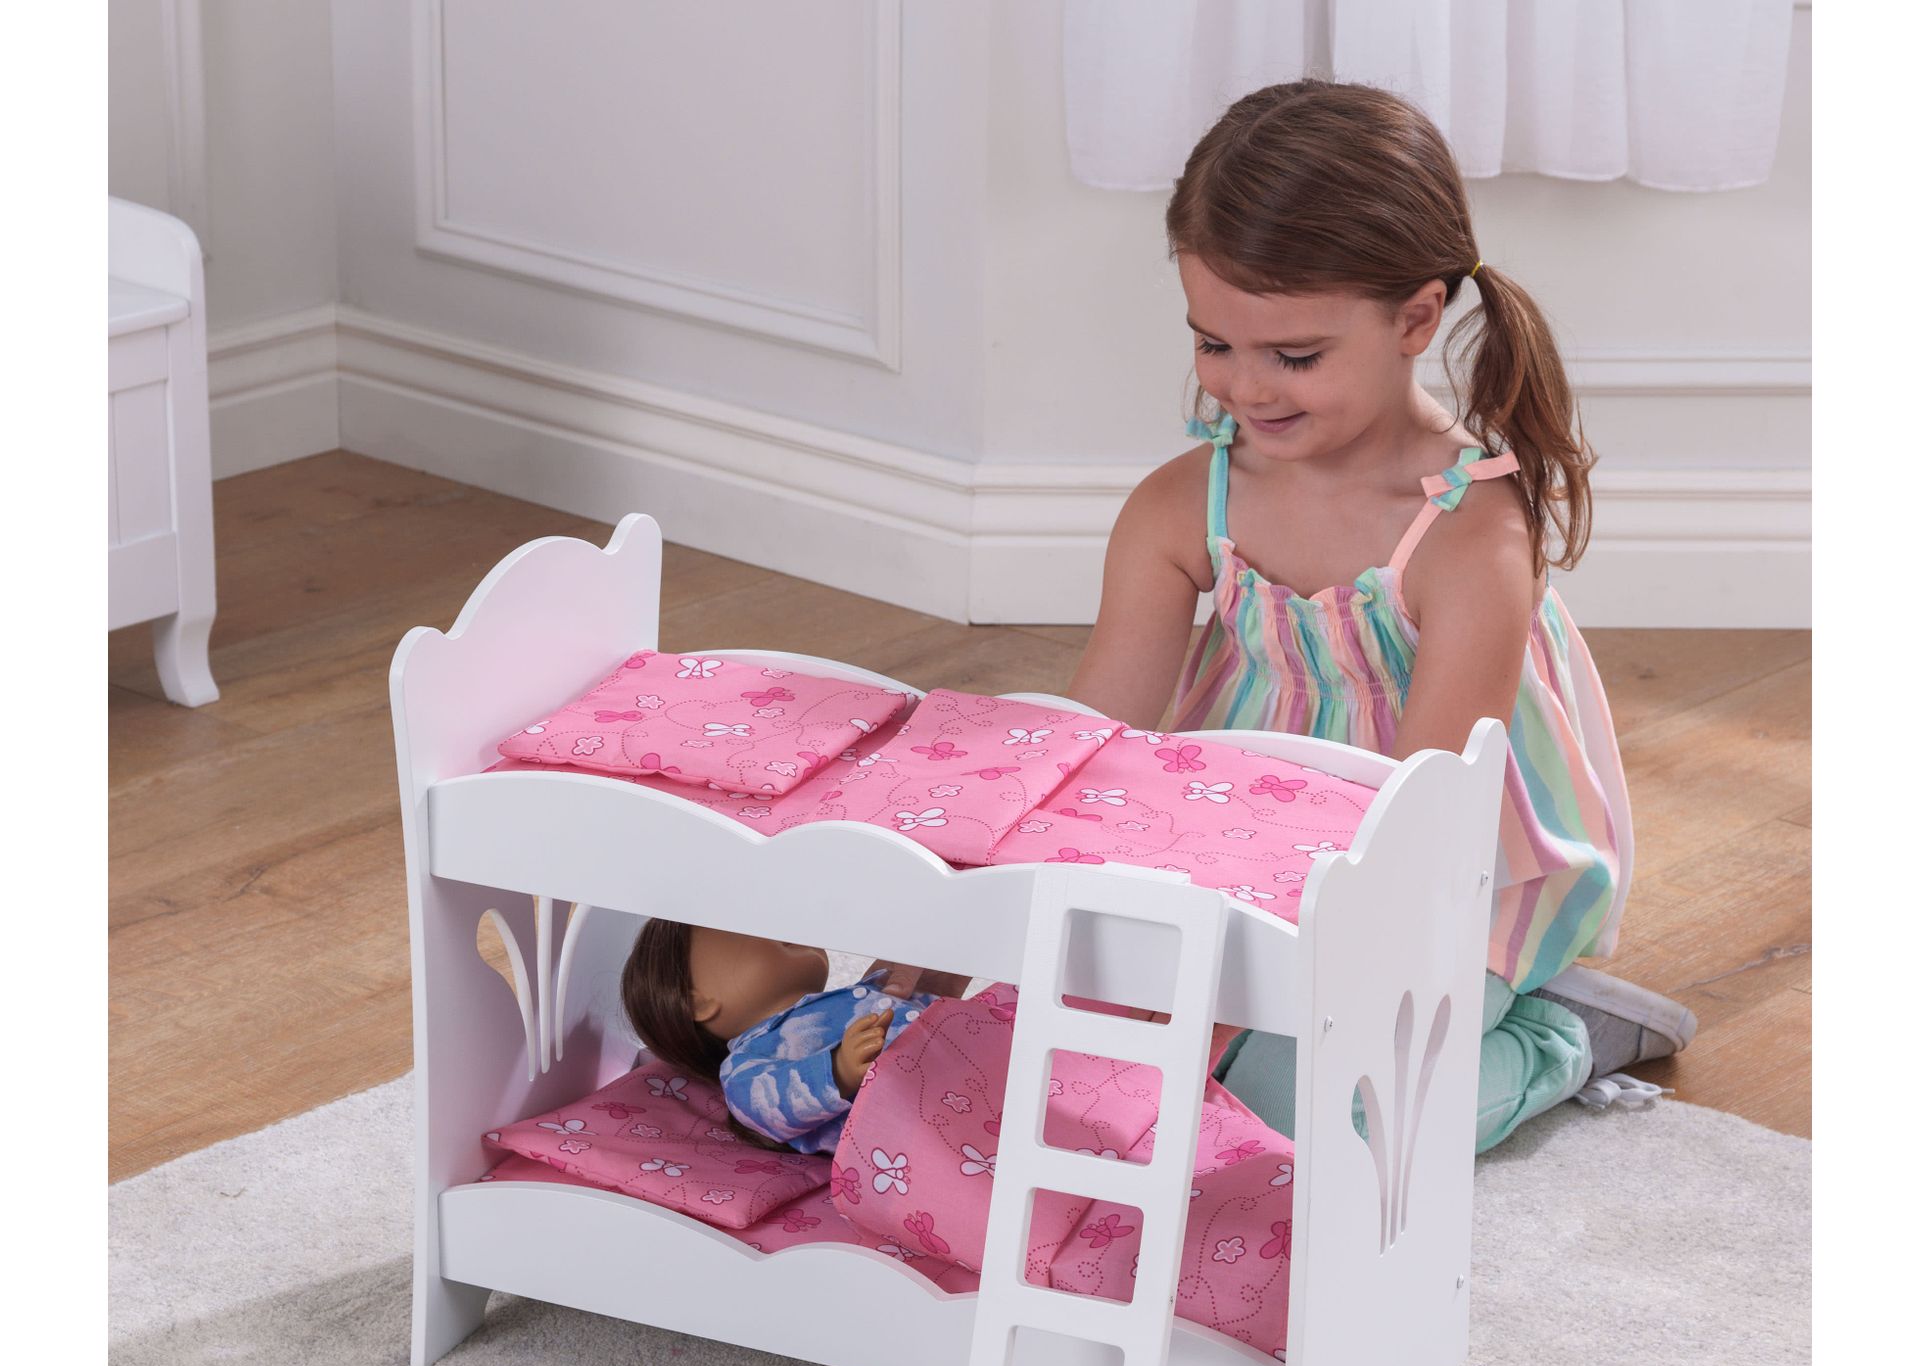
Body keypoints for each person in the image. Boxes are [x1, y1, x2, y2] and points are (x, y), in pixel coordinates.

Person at [1065, 79, 1693, 1153]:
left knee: (1305, 1119)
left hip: (1440, 871)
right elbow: (1092, 743)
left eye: (1294, 356)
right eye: (1215, 344)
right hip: (1242, 851)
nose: (1246, 389)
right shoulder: (1182, 506)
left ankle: (1561, 1034)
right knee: (1085, 1069)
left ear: (1416, 317)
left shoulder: (1468, 535)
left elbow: (1424, 822)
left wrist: (1258, 992)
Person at [619, 919, 943, 1153]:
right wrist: (838, 1070)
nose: (777, 920)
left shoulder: (851, 998)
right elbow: (767, 1104)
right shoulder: (746, 1066)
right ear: (697, 1002)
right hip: (928, 1131)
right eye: (743, 923)